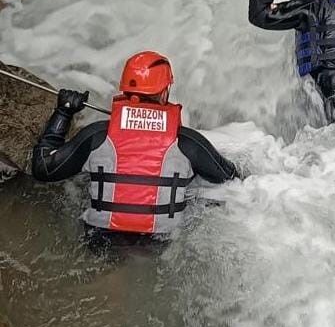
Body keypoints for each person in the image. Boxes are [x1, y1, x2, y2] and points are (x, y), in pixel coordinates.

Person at [33, 51, 241, 245]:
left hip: (101, 240)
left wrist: (64, 112)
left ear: (125, 90)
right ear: (164, 93)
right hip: (161, 244)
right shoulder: (188, 142)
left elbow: (43, 169)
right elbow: (232, 180)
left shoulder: (96, 135)